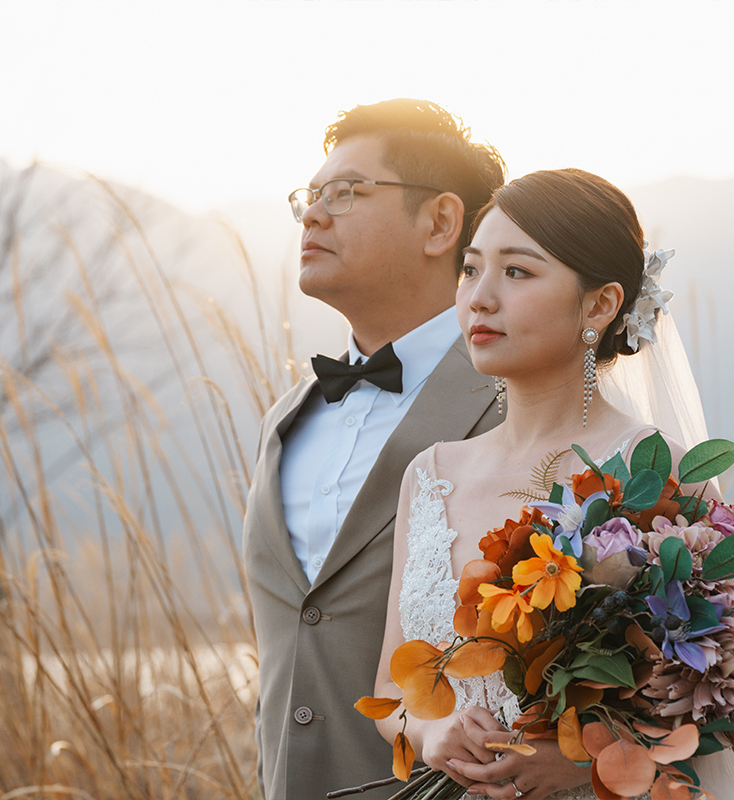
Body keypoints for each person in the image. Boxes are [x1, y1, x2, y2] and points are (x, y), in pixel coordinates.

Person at [374, 169, 734, 799]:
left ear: (599, 304)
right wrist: (436, 734)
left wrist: (583, 761)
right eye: (471, 269)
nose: (479, 297)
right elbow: (392, 689)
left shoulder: (655, 472)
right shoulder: (430, 475)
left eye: (517, 272)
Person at [242, 98, 507, 800]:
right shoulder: (284, 421)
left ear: (441, 223)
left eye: (347, 193)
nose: (313, 215)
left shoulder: (515, 406)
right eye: (310, 196)